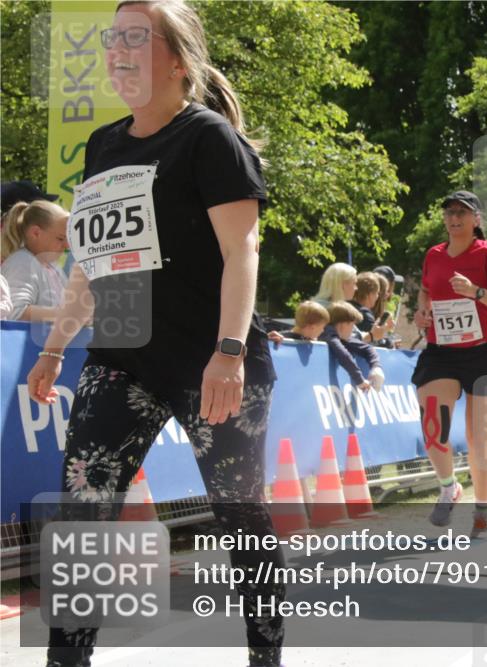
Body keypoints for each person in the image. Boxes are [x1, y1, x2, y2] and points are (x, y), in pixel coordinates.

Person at [26, 2, 285, 665]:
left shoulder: (207, 138)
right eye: (112, 40)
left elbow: (243, 252)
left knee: (239, 515)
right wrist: (56, 345)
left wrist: (228, 353)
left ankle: (265, 653)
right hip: (121, 356)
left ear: (175, 59)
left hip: (212, 360)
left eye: (135, 40)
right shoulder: (103, 145)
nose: (117, 51)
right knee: (83, 515)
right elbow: (93, 261)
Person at [412, 190, 487, 537]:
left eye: (462, 212)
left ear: (477, 219)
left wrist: (476, 292)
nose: (454, 217)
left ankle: (483, 508)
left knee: (478, 438)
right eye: (449, 212)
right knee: (432, 425)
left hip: (486, 351)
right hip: (442, 350)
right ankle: (448, 487)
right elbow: (426, 290)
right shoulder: (434, 254)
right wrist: (423, 309)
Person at [0, 200, 70, 321]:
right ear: (35, 233)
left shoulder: (51, 266)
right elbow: (15, 312)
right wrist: (68, 316)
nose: (67, 245)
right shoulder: (21, 263)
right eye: (60, 238)